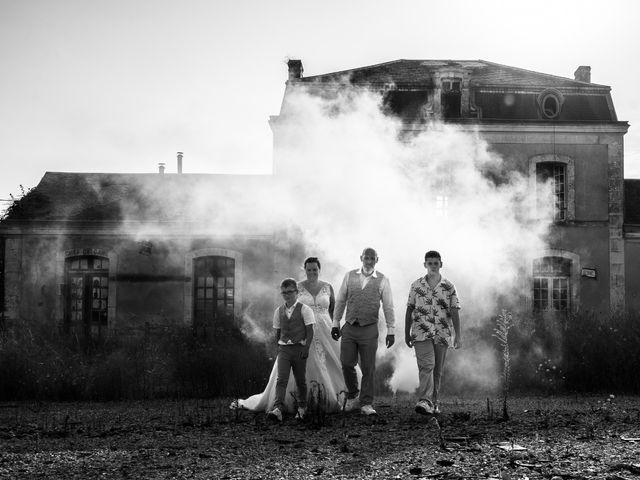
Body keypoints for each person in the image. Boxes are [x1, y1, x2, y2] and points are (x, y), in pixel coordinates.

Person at [231, 258, 345, 414]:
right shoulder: (297, 287)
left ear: (319, 269)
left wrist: (334, 327)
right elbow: (289, 310)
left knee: (333, 363)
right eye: (309, 269)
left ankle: (332, 397)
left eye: (315, 269)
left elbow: (332, 311)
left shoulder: (328, 287)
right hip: (302, 330)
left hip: (325, 330)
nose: (312, 272)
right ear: (304, 270)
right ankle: (294, 403)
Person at [331, 247, 395, 416]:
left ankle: (366, 403)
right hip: (350, 327)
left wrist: (391, 330)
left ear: (376, 260)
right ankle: (353, 396)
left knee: (368, 367)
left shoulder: (383, 280)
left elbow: (388, 306)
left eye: (372, 258)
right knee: (346, 363)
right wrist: (335, 323)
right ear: (361, 258)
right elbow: (340, 300)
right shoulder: (349, 275)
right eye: (366, 258)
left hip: (369, 328)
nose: (369, 261)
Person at [404, 250, 461, 416]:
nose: (433, 266)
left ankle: (434, 403)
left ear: (441, 264)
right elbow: (409, 309)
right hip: (421, 332)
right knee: (426, 366)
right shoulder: (416, 285)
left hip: (442, 332)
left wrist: (458, 335)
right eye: (430, 263)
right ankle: (425, 400)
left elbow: (455, 310)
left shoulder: (449, 287)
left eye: (436, 263)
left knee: (437, 370)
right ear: (425, 265)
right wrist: (407, 333)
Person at [266, 278, 315, 422]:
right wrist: (278, 348)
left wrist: (306, 348)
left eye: (290, 292)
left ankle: (302, 407)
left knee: (300, 380)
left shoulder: (305, 309)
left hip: (299, 348)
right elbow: (277, 332)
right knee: (281, 379)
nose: (287, 295)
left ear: (297, 292)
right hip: (284, 349)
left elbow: (310, 331)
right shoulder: (278, 311)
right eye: (284, 293)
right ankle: (278, 409)